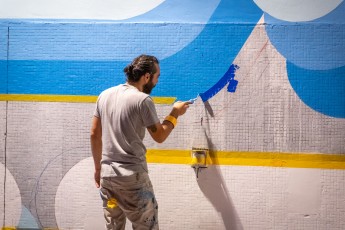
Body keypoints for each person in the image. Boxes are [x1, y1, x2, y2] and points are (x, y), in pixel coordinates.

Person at [90, 54, 190, 230]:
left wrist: (98, 168)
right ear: (146, 77)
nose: (157, 82)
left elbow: (94, 134)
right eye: (157, 76)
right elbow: (159, 136)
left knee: (114, 227)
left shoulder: (104, 95)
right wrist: (175, 113)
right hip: (132, 180)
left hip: (108, 178)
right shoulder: (143, 100)